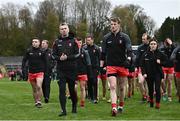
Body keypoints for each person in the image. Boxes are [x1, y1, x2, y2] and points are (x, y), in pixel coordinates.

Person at [101, 17, 132, 116]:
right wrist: (101, 65)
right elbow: (103, 53)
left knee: (122, 88)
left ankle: (121, 105)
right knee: (113, 86)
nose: (113, 26)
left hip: (122, 65)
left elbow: (129, 50)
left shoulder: (125, 37)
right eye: (111, 24)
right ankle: (114, 107)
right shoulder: (106, 38)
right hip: (111, 65)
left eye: (114, 24)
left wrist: (128, 60)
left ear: (119, 25)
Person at [52, 23, 79, 116]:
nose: (63, 30)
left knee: (72, 90)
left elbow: (77, 54)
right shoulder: (56, 42)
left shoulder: (74, 41)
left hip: (72, 69)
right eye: (61, 29)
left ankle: (74, 105)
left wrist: (68, 57)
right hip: (61, 70)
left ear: (68, 29)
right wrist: (59, 58)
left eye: (65, 28)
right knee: (62, 90)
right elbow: (53, 55)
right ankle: (63, 110)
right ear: (60, 30)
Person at [140, 38, 167, 109]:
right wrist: (144, 73)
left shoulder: (160, 54)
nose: (153, 45)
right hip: (148, 74)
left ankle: (157, 104)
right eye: (151, 44)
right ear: (149, 45)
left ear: (157, 45)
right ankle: (151, 101)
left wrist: (160, 62)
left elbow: (167, 62)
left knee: (157, 89)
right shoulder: (145, 54)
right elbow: (142, 65)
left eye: (154, 44)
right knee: (150, 89)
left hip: (158, 74)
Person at [22, 38, 47, 108]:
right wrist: (23, 68)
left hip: (40, 72)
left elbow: (46, 62)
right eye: (33, 42)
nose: (34, 43)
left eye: (36, 42)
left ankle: (39, 101)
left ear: (39, 43)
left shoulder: (42, 51)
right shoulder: (29, 51)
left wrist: (46, 70)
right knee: (34, 89)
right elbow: (24, 60)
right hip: (31, 72)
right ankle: (36, 102)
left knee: (39, 86)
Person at [76, 38, 92, 107]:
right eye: (77, 43)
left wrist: (90, 73)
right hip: (74, 73)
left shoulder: (85, 52)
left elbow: (88, 63)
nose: (78, 44)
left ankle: (82, 102)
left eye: (80, 43)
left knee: (82, 88)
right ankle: (75, 100)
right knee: (74, 88)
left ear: (81, 43)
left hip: (83, 72)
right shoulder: (72, 52)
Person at [84, 35, 100, 103]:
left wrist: (99, 68)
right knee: (89, 83)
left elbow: (99, 58)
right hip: (87, 67)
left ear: (92, 40)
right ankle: (90, 97)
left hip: (94, 67)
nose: (88, 41)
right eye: (87, 40)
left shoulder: (96, 48)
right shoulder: (85, 48)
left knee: (94, 82)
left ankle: (95, 97)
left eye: (89, 40)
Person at [135, 33, 151, 102]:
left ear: (148, 39)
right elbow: (137, 58)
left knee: (147, 83)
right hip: (141, 67)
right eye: (142, 39)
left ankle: (147, 97)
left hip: (149, 68)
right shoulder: (140, 47)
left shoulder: (151, 47)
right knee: (140, 82)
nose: (143, 40)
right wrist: (136, 67)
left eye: (144, 39)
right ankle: (144, 95)